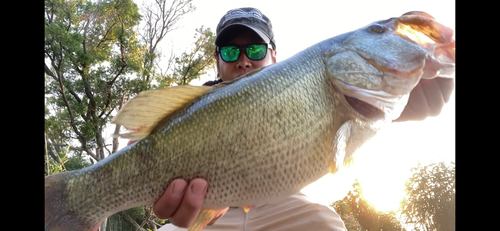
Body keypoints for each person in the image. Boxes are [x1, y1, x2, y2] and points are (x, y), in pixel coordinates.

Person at [150, 7, 455, 231]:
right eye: (230, 52)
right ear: (217, 61)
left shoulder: (311, 84)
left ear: (274, 57)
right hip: (202, 212)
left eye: (255, 49)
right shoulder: (191, 110)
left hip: (287, 205)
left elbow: (376, 100)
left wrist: (424, 80)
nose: (243, 60)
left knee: (325, 224)